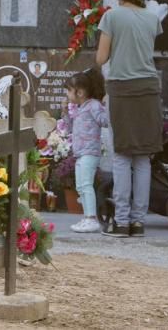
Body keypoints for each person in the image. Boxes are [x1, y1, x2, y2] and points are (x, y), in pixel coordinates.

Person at [96, 0, 163, 238]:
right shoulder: (151, 18)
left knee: (122, 155)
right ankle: (138, 222)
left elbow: (101, 58)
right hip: (148, 89)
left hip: (122, 89)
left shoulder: (111, 17)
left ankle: (121, 221)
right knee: (143, 157)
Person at [64, 68, 110, 233]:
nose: (68, 94)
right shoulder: (81, 108)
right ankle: (86, 217)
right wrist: (66, 114)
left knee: (86, 185)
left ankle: (91, 219)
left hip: (89, 153)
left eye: (70, 90)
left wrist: (104, 106)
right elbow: (70, 127)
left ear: (81, 92)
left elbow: (104, 121)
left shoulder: (93, 106)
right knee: (81, 186)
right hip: (81, 153)